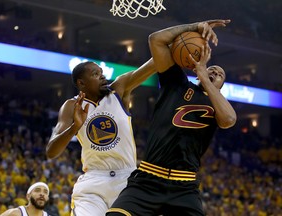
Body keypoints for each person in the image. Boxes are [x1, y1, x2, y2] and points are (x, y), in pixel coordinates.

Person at [107, 20, 237, 216]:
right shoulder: (177, 83)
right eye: (212, 69)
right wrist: (195, 27)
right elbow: (156, 40)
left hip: (183, 187)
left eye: (219, 75)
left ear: (221, 85)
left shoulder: (218, 104)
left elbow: (229, 120)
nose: (214, 72)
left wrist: (204, 76)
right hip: (148, 178)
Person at [46, 58, 156, 215]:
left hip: (127, 180)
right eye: (95, 74)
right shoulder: (72, 106)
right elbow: (51, 152)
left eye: (102, 73)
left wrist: (183, 35)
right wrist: (74, 127)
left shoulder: (119, 89)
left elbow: (153, 65)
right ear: (81, 83)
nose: (103, 76)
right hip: (93, 182)